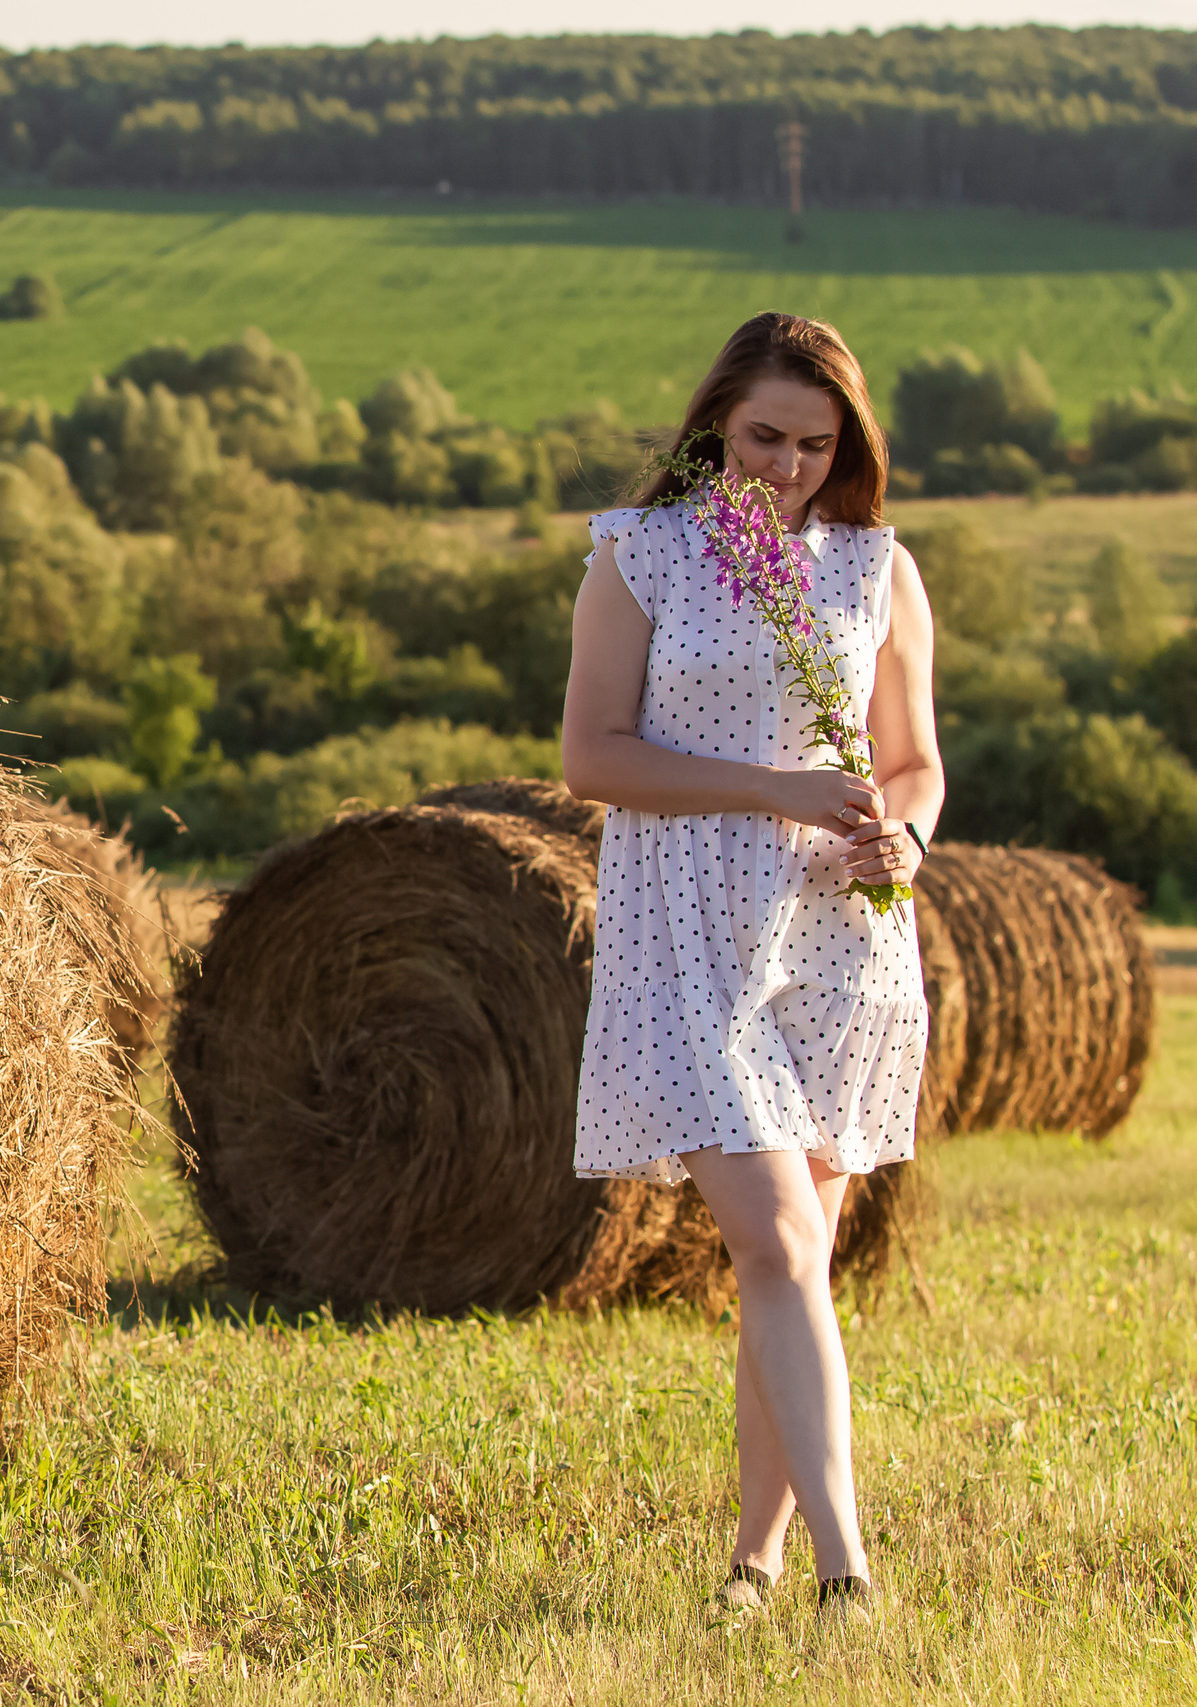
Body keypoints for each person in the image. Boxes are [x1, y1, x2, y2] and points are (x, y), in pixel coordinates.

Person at [560, 312, 939, 1624]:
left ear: (848, 448)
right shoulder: (643, 556)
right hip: (688, 932)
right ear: (718, 419)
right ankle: (849, 1573)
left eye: (813, 444)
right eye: (763, 435)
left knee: (797, 1269)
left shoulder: (875, 569)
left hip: (843, 934)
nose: (782, 465)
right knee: (774, 1242)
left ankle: (753, 1563)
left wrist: (907, 832)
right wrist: (771, 787)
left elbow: (914, 757)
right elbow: (593, 758)